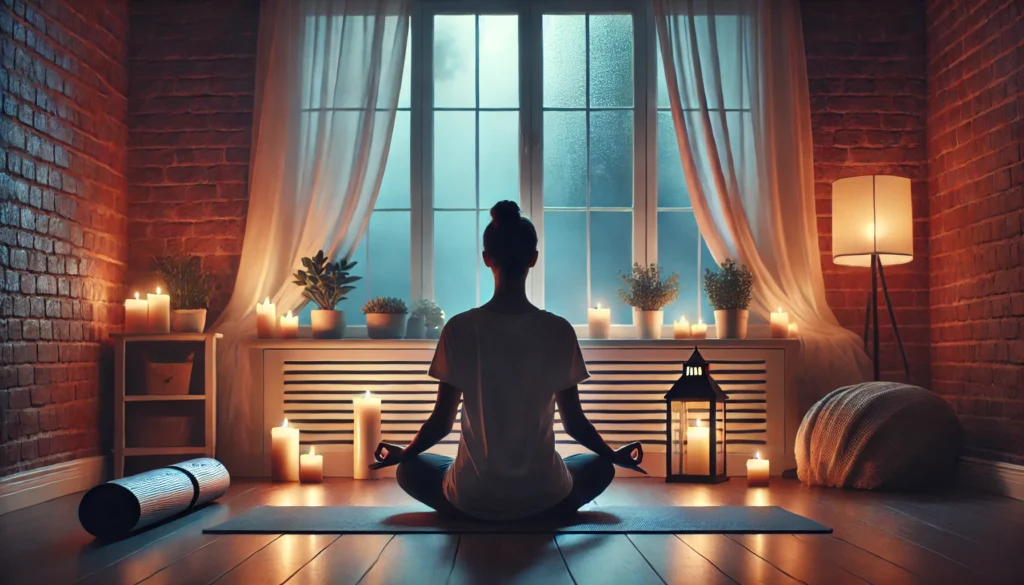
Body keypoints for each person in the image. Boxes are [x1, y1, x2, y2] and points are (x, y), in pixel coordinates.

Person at [372, 200, 643, 521]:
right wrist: (613, 455)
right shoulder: (558, 329)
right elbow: (575, 423)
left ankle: (478, 505)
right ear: (534, 258)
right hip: (545, 497)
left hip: (472, 498)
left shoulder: (460, 328)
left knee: (410, 469)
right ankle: (538, 507)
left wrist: (404, 453)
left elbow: (440, 423)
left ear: (487, 259)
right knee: (599, 466)